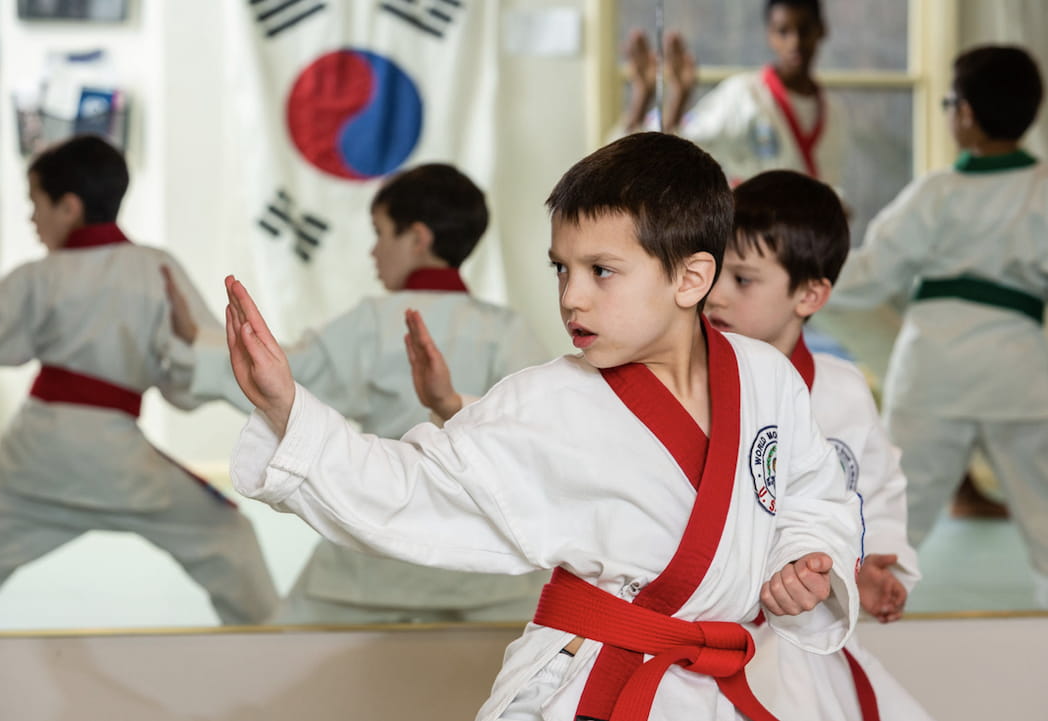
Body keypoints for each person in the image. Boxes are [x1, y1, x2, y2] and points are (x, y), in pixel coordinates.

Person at [225, 132, 863, 720]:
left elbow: (812, 493)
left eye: (601, 271)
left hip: (723, 684)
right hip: (592, 685)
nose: (571, 297)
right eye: (562, 268)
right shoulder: (548, 400)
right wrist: (288, 409)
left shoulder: (765, 377)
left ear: (691, 278)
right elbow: (412, 485)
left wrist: (805, 560)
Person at [167, 162, 551, 624]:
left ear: (418, 238)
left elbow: (287, 376)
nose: (373, 252)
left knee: (274, 661)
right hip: (487, 564)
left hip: (377, 552)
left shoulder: (373, 320)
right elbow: (537, 432)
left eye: (380, 233)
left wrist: (193, 343)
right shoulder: (507, 330)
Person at [0, 134, 277, 626]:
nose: (32, 219)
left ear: (69, 207)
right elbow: (189, 381)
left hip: (32, 455)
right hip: (117, 458)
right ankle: (275, 651)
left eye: (36, 204)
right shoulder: (156, 268)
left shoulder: (40, 276)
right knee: (226, 537)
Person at [704, 170, 932, 720]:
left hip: (797, 632)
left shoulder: (840, 392)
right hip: (703, 627)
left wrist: (876, 559)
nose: (714, 295)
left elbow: (873, 487)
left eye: (743, 279)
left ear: (810, 294)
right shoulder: (688, 379)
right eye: (711, 270)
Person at [828, 45, 1048, 606]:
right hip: (1018, 371)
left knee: (897, 510)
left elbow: (873, 272)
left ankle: (868, 618)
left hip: (934, 368)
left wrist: (802, 277)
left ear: (966, 114)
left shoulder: (937, 193)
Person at [620, 0, 847, 189]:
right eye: (783, 31)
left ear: (822, 30)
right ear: (770, 35)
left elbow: (832, 180)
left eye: (804, 29)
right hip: (752, 236)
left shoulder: (833, 111)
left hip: (812, 237)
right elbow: (678, 146)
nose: (795, 42)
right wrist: (675, 97)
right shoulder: (744, 95)